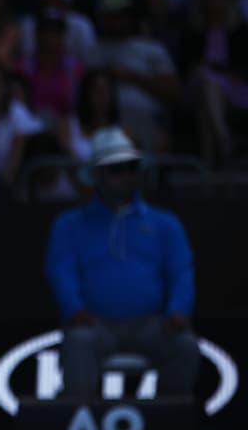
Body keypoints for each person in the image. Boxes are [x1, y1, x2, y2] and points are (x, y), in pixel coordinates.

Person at [44, 126, 199, 400]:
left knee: (184, 346)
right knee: (78, 341)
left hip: (153, 323)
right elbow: (60, 270)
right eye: (116, 169)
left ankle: (169, 426)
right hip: (95, 323)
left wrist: (178, 310)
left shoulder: (165, 223)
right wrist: (74, 308)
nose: (127, 176)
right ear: (96, 176)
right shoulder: (69, 225)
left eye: (132, 167)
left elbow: (181, 272)